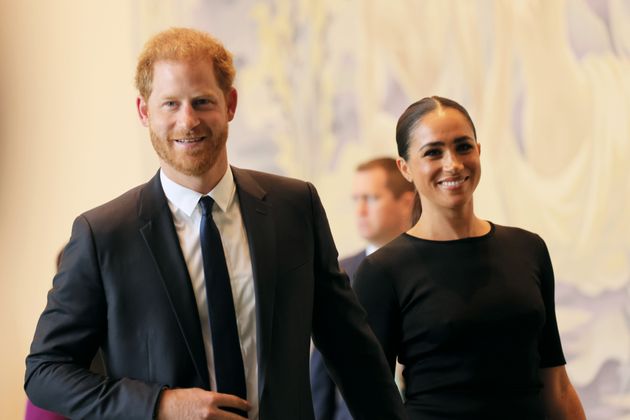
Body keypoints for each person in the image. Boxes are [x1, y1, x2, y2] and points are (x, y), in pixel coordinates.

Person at [24, 28, 406, 420]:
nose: (187, 120)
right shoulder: (102, 234)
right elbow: (45, 371)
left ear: (230, 104)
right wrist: (160, 405)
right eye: (170, 104)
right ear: (144, 112)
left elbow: (351, 348)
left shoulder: (295, 207)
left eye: (202, 101)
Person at [353, 96, 586, 419]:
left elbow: (556, 382)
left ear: (478, 151)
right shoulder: (382, 271)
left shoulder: (528, 248)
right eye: (433, 152)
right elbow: (371, 400)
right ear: (404, 168)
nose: (453, 164)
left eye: (463, 147)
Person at [310, 157, 416, 420]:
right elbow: (324, 370)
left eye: (370, 198)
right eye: (356, 199)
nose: (359, 211)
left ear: (406, 202)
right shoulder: (338, 272)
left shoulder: (433, 269)